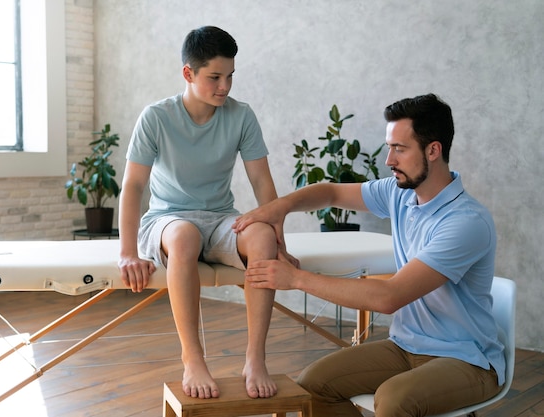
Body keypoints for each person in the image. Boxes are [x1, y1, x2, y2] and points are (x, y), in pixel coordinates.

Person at [233, 93, 505, 416]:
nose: (389, 160)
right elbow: (332, 192)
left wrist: (296, 278)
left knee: (393, 399)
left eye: (399, 149)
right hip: (406, 347)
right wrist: (281, 207)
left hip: (468, 360)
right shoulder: (399, 194)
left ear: (433, 150)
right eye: (389, 147)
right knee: (314, 384)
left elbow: (388, 296)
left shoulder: (465, 223)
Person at [118, 26, 296, 400]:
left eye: (230, 76)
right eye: (215, 77)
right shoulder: (155, 117)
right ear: (189, 73)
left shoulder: (241, 116)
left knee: (261, 235)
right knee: (184, 236)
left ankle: (255, 358)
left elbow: (262, 182)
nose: (225, 86)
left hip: (219, 219)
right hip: (168, 219)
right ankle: (193, 357)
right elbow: (133, 186)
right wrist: (128, 252)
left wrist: (279, 239)